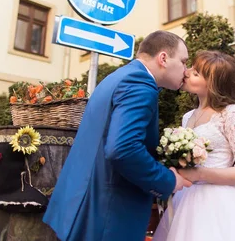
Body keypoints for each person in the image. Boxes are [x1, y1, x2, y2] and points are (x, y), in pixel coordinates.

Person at [44, 30, 192, 241]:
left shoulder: (119, 77)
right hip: (106, 215)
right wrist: (168, 180)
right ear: (163, 58)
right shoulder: (140, 85)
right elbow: (123, 149)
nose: (186, 70)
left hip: (82, 205)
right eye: (184, 61)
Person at [153, 50, 235, 241]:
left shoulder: (230, 113)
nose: (186, 72)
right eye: (191, 67)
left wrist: (200, 174)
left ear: (212, 83)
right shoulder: (188, 117)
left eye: (195, 73)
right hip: (186, 200)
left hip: (221, 203)